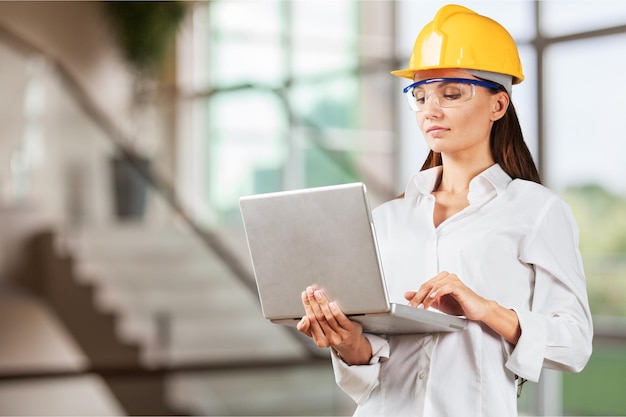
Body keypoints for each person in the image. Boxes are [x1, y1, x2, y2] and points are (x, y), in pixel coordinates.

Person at [296, 4, 593, 417]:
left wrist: (484, 308)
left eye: (451, 94)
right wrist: (347, 343)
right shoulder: (387, 220)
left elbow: (574, 344)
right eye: (420, 96)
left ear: (498, 105)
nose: (430, 109)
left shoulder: (537, 211)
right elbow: (371, 365)